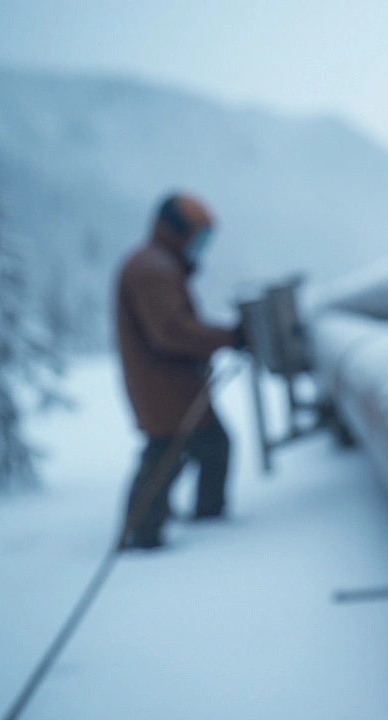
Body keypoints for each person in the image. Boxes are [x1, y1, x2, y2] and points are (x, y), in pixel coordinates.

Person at [114, 192, 244, 549]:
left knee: (204, 447)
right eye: (197, 237)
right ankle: (140, 534)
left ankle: (193, 518)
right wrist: (231, 336)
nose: (199, 247)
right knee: (165, 457)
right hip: (165, 391)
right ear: (175, 230)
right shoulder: (153, 268)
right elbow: (172, 330)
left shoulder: (156, 263)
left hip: (173, 388)